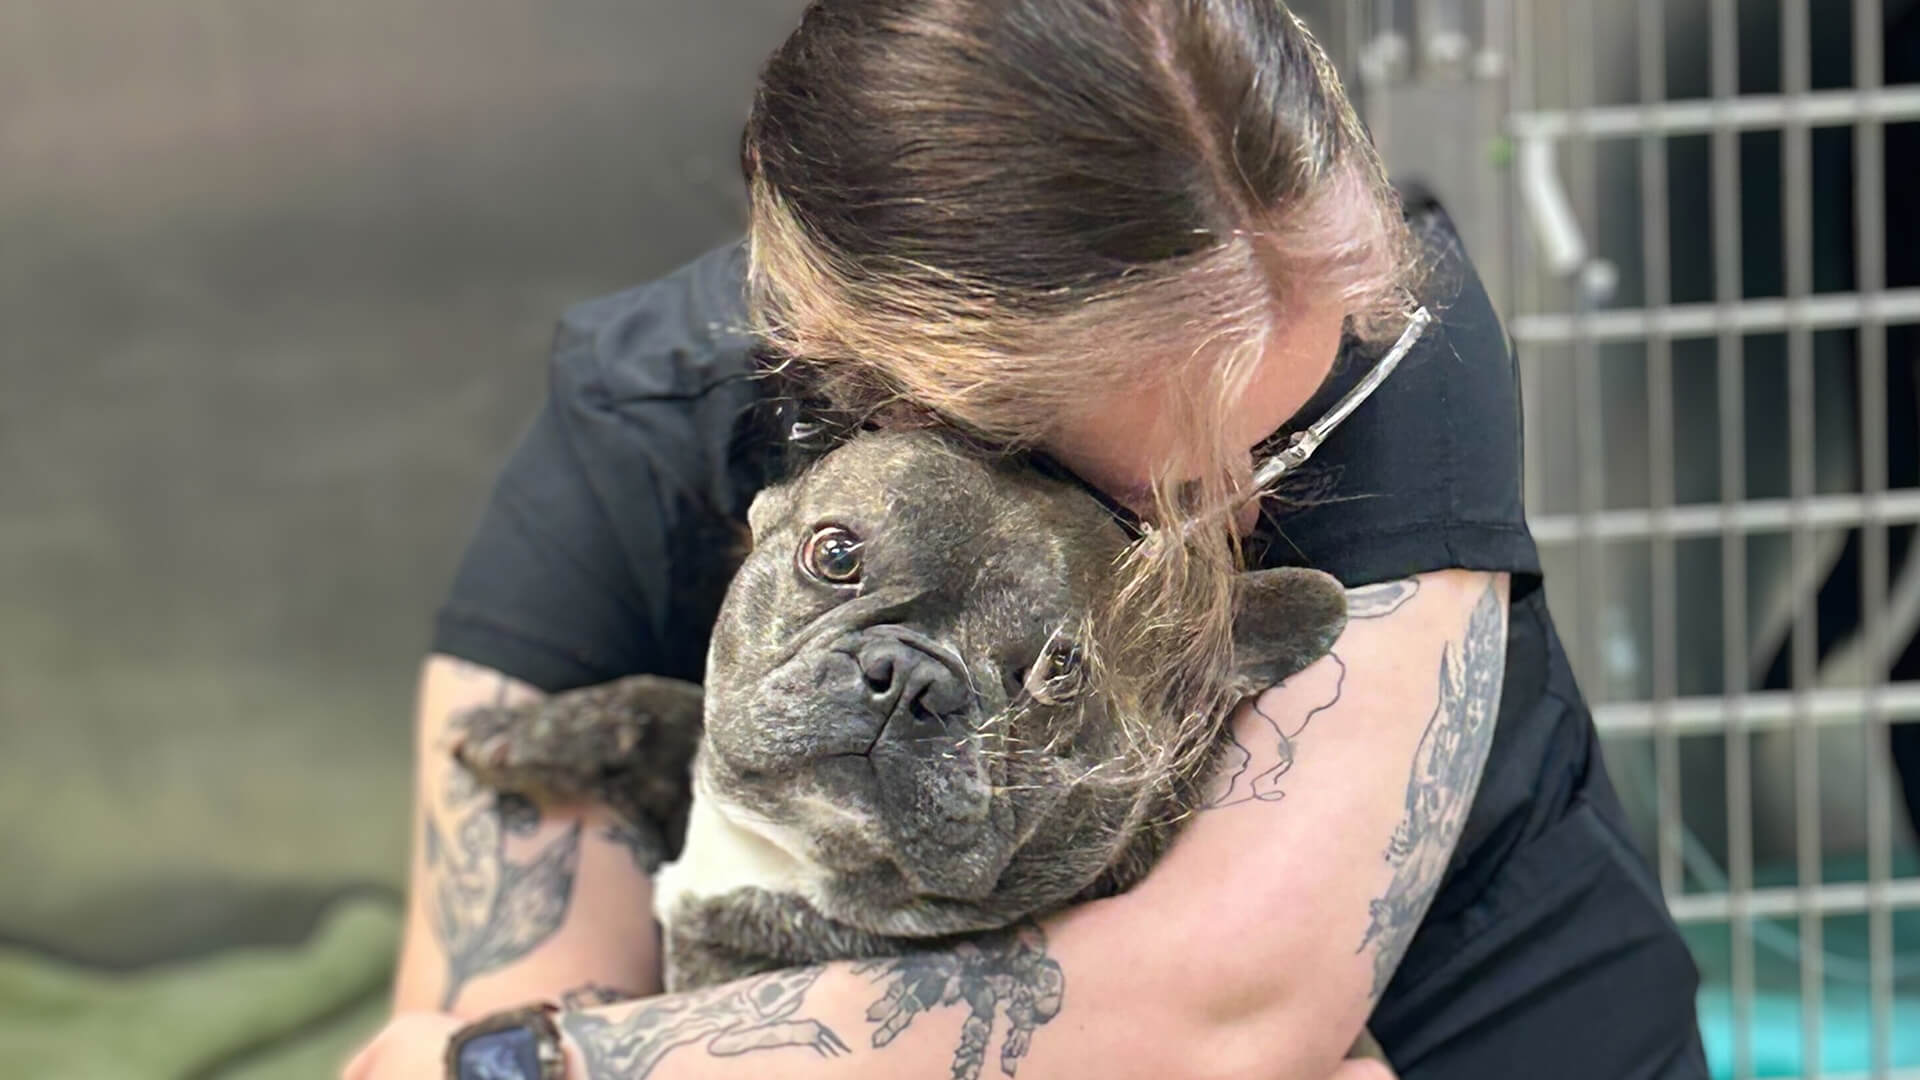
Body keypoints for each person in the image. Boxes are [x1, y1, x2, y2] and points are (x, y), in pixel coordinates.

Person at [347, 2, 1709, 1078]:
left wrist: (568, 1063)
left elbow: (1221, 1021)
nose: (1247, 511)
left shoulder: (1364, 336)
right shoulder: (646, 425)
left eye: (1284, 449)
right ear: (883, 384)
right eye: (1151, 483)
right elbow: (466, 1018)